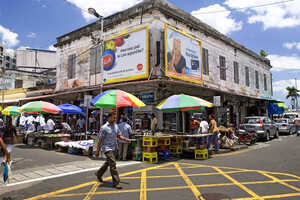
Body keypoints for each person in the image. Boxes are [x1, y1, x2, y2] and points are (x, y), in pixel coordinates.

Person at [95, 111, 131, 189]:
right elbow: (100, 140)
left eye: (115, 117)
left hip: (114, 147)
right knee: (113, 163)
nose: (115, 119)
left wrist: (126, 139)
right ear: (109, 117)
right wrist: (97, 151)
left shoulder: (116, 126)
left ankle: (99, 174)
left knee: (108, 162)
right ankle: (116, 182)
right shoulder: (104, 127)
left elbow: (119, 135)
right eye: (113, 117)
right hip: (107, 148)